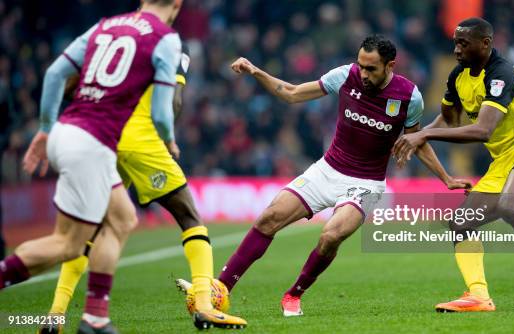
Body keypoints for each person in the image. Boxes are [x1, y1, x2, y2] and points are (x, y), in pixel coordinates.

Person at [178, 34, 471, 317]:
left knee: (330, 235)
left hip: (366, 184)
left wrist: (446, 178)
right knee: (269, 218)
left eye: (371, 68)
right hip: (327, 170)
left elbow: (415, 141)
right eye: (361, 65)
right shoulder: (345, 76)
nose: (364, 73)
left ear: (390, 66)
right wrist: (256, 72)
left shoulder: (409, 96)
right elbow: (292, 94)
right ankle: (221, 288)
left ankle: (294, 294)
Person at [0, 1, 183, 333]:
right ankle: (89, 316)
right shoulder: (166, 38)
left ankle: (95, 317)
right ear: (177, 4)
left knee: (123, 218)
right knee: (67, 244)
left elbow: (56, 73)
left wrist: (45, 127)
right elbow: (160, 112)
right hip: (92, 144)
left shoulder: (105, 25)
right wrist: (169, 140)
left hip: (66, 131)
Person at [38, 43, 246, 334]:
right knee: (188, 215)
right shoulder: (171, 43)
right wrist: (166, 137)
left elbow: (67, 81)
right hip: (139, 138)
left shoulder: (111, 35)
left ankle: (55, 315)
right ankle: (204, 305)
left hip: (100, 135)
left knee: (88, 229)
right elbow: (173, 101)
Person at [392, 17, 514, 312]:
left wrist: (426, 133)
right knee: (460, 223)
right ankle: (479, 296)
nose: (457, 49)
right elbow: (448, 118)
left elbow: (482, 130)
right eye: (455, 43)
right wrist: (418, 138)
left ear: (485, 43)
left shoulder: (502, 73)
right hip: (503, 159)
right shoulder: (457, 77)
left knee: (511, 205)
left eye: (463, 43)